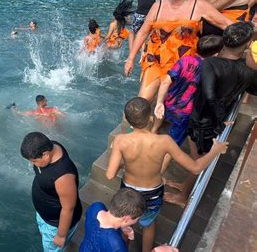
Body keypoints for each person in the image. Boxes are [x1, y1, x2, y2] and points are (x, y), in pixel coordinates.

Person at [106, 97, 228, 252]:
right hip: (153, 193)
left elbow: (110, 175)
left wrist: (125, 164)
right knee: (149, 224)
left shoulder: (120, 140)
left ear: (128, 120)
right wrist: (214, 151)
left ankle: (123, 248)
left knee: (125, 224)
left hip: (128, 191)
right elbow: (196, 168)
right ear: (151, 118)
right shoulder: (164, 141)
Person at [166, 22, 257, 207]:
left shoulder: (211, 63)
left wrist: (217, 122)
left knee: (198, 160)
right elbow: (253, 90)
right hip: (214, 119)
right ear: (246, 45)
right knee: (197, 157)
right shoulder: (246, 70)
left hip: (203, 121)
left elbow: (209, 96)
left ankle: (183, 197)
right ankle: (185, 186)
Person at [124, 0, 233, 102]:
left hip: (183, 63)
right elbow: (142, 33)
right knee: (142, 100)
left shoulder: (198, 5)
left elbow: (226, 24)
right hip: (155, 59)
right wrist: (130, 58)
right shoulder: (158, 6)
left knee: (168, 104)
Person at [153, 35, 224, 145]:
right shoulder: (212, 71)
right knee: (174, 141)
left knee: (160, 113)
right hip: (185, 113)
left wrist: (159, 103)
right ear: (216, 54)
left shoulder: (185, 60)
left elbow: (166, 82)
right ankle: (166, 153)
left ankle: (154, 131)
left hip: (170, 102)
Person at [20, 132, 82, 251]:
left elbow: (68, 208)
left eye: (34, 161)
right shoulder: (51, 145)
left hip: (56, 224)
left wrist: (61, 235)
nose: (32, 164)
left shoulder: (63, 177)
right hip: (45, 215)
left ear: (46, 154)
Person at [79, 188, 146, 252]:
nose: (137, 221)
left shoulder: (96, 206)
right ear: (126, 219)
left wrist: (121, 228)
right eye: (137, 219)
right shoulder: (116, 244)